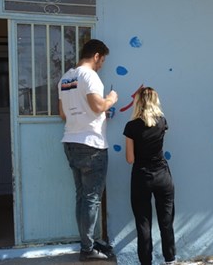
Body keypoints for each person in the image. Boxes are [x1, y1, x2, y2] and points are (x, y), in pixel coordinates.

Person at [58, 39, 118, 261]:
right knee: (92, 198)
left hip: (71, 142)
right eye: (102, 60)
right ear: (96, 56)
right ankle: (87, 249)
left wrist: (92, 113)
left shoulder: (66, 77)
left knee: (82, 196)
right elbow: (97, 106)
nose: (102, 64)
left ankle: (87, 243)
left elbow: (63, 113)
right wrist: (110, 99)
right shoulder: (90, 76)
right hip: (91, 144)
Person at [123, 87, 176, 265]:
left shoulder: (131, 127)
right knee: (166, 221)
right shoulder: (162, 122)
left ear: (138, 102)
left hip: (141, 177)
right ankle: (170, 260)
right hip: (162, 176)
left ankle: (146, 262)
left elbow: (130, 159)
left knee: (143, 223)